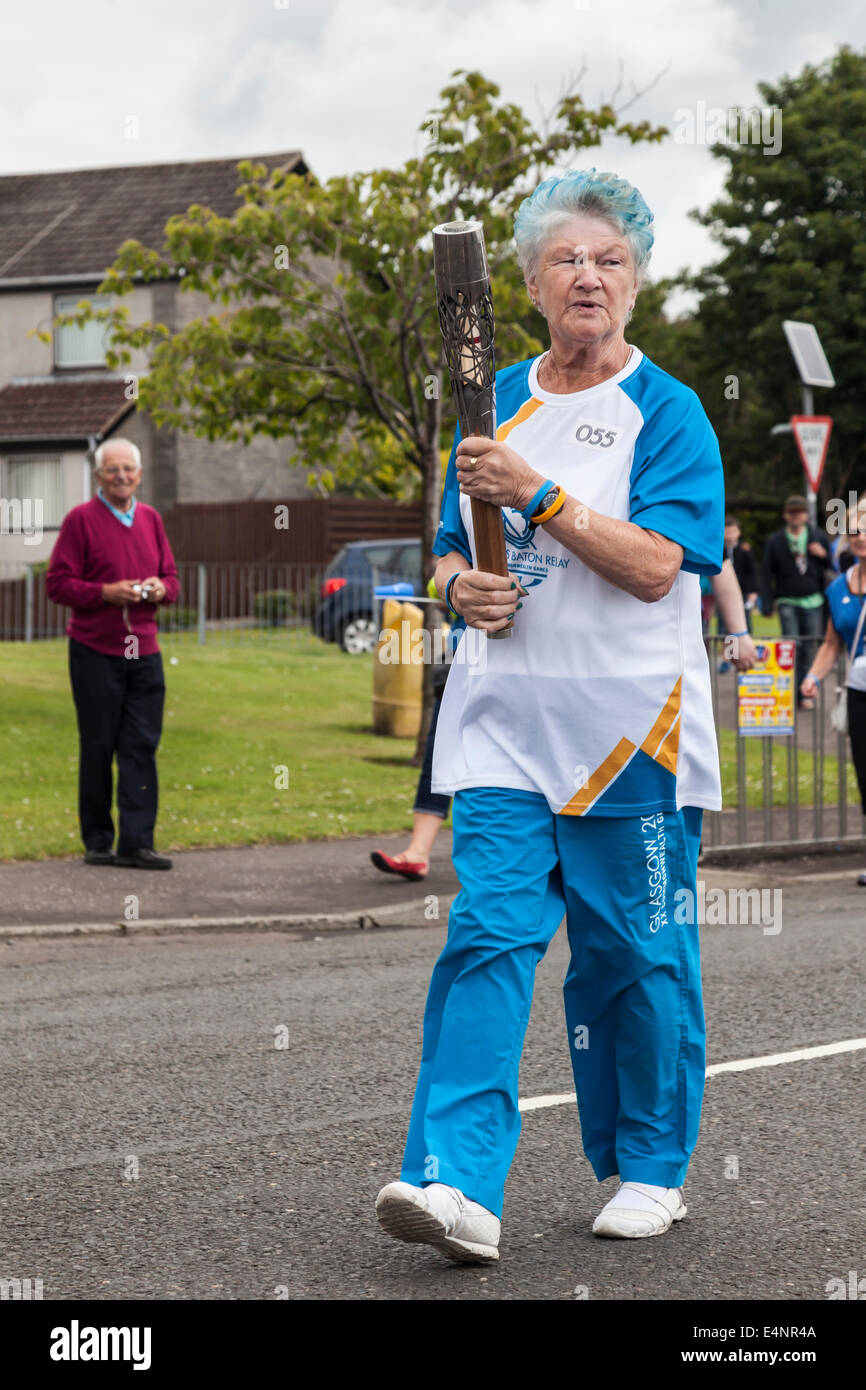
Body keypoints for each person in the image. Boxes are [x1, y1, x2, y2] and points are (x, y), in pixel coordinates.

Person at [375, 167, 725, 1262]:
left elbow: (655, 566)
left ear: (635, 282)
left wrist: (537, 493)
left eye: (609, 259)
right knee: (487, 932)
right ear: (528, 284)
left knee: (630, 952)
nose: (588, 275)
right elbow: (446, 549)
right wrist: (454, 588)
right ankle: (452, 1183)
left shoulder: (664, 414)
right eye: (566, 258)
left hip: (630, 730)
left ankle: (649, 1165)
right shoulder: (494, 409)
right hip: (501, 723)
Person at [46, 438, 178, 869]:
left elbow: (172, 581)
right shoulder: (80, 521)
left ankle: (137, 843)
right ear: (98, 475)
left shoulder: (152, 519)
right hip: (95, 651)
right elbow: (57, 584)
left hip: (145, 651)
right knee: (99, 745)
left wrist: (160, 588)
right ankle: (98, 841)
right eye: (112, 469)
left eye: (129, 469)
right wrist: (104, 593)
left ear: (140, 475)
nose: (121, 476)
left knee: (141, 746)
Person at [371, 579, 454, 881]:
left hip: (511, 677)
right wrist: (452, 587)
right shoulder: (461, 538)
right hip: (459, 672)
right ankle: (417, 854)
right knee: (436, 765)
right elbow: (439, 584)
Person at [801, 513, 866, 886]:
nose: (858, 536)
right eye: (853, 530)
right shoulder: (837, 587)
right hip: (859, 693)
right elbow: (830, 644)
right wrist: (812, 677)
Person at [761, 495, 831, 711]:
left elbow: (833, 564)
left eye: (800, 512)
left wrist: (823, 554)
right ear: (785, 515)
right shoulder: (775, 541)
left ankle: (806, 691)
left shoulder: (817, 536)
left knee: (810, 646)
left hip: (813, 600)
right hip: (787, 599)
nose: (796, 516)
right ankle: (788, 693)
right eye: (792, 512)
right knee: (791, 645)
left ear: (805, 515)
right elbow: (766, 573)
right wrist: (767, 603)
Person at [716, 516, 758, 672]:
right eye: (727, 531)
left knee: (744, 624)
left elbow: (752, 572)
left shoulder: (745, 550)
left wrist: (753, 592)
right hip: (725, 595)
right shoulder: (717, 547)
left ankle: (743, 651)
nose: (730, 534)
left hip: (743, 592)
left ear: (739, 532)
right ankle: (726, 657)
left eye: (733, 531)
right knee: (722, 628)